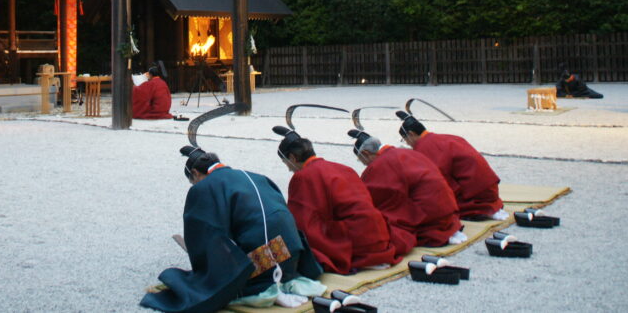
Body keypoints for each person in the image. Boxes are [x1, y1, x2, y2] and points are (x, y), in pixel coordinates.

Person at [140, 145, 324, 313]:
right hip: (294, 254)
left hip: (265, 265)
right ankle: (280, 280)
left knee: (198, 280)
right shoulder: (258, 176)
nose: (195, 186)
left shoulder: (204, 187)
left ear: (195, 173)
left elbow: (204, 236)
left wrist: (207, 268)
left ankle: (264, 287)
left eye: (193, 181)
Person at [272, 125, 404, 274]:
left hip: (355, 243)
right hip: (380, 235)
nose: (290, 169)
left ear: (292, 158)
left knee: (284, 245)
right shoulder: (343, 167)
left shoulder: (303, 176)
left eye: (286, 164)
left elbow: (302, 222)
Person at [349, 129, 465, 248]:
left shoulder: (380, 165)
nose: (365, 165)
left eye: (362, 160)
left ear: (366, 153)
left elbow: (376, 198)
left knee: (376, 224)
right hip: (447, 210)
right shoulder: (407, 152)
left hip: (430, 217)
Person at [397, 111, 506, 220]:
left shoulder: (425, 148)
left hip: (475, 197)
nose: (407, 144)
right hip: (490, 191)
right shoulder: (446, 138)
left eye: (405, 140)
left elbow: (437, 181)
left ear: (411, 134)